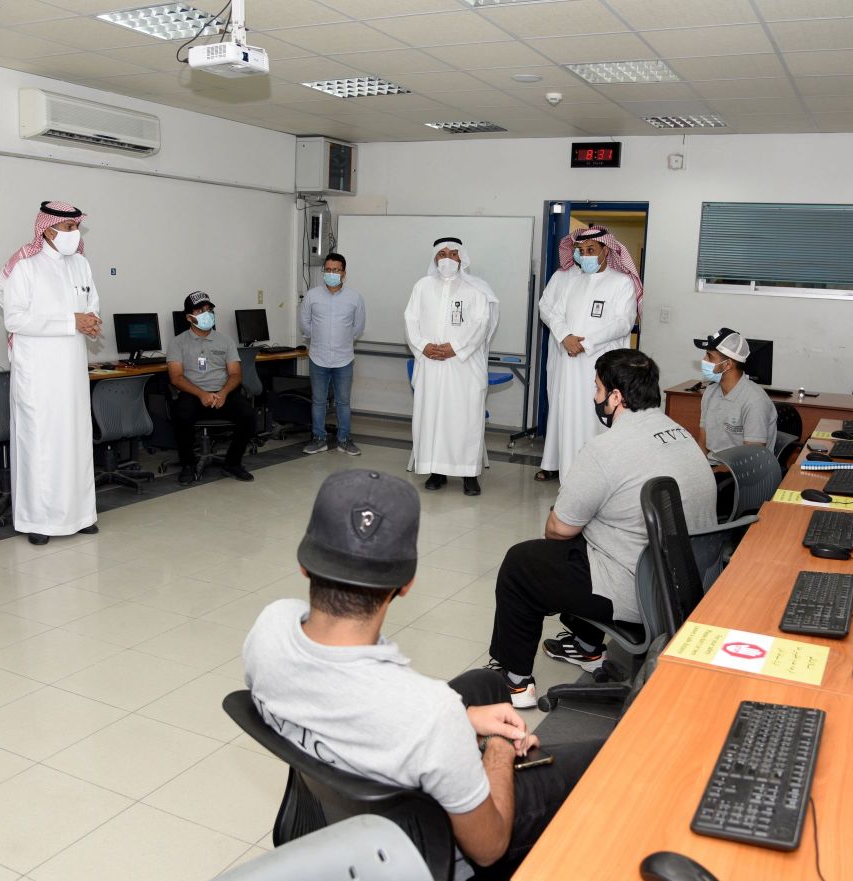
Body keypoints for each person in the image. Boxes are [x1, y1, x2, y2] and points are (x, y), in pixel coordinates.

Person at [243, 469, 603, 876]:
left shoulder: (271, 627)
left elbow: (346, 700)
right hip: (420, 850)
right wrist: (498, 749)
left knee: (486, 684)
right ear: (407, 583)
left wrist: (462, 721)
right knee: (607, 758)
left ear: (304, 565)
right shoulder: (431, 714)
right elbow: (488, 847)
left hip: (337, 814)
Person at [487, 349, 717, 708]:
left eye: (597, 389)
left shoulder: (605, 449)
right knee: (593, 542)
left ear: (616, 397)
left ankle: (515, 682)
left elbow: (558, 529)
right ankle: (586, 646)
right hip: (688, 584)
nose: (595, 397)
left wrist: (573, 516)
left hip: (641, 592)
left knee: (523, 562)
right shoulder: (681, 434)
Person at [0, 200, 100, 546]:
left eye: (77, 227)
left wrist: (90, 321)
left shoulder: (81, 264)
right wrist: (71, 321)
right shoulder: (25, 266)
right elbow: (15, 319)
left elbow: (91, 303)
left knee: (76, 440)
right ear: (48, 230)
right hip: (38, 374)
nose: (75, 234)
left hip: (72, 371)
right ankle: (38, 520)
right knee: (41, 444)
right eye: (69, 228)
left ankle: (81, 515)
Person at [536, 226, 641, 484]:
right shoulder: (574, 281)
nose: (585, 255)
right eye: (581, 251)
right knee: (570, 418)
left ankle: (597, 479)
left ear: (606, 250)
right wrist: (565, 337)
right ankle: (570, 477)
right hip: (570, 365)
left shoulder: (621, 282)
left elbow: (623, 322)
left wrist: (586, 343)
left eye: (591, 249)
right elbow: (555, 313)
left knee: (596, 418)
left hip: (600, 365)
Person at [404, 236, 495, 496]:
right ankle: (436, 471)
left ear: (461, 258)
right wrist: (423, 346)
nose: (447, 259)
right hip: (430, 365)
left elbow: (481, 323)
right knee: (432, 419)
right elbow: (410, 319)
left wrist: (455, 347)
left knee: (465, 420)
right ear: (435, 259)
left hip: (463, 366)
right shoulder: (422, 286)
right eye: (442, 254)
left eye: (452, 254)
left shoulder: (476, 288)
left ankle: (469, 475)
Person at [167, 290, 257, 485]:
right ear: (189, 317)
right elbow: (176, 378)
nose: (206, 314)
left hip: (223, 392)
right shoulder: (178, 343)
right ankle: (188, 465)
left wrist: (223, 393)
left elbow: (235, 374)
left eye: (208, 310)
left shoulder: (225, 341)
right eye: (200, 311)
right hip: (193, 393)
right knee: (180, 415)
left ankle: (232, 463)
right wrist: (201, 394)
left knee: (249, 416)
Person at [300, 252, 365, 456]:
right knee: (318, 401)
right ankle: (319, 439)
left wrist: (341, 342)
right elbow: (305, 324)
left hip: (343, 359)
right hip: (317, 357)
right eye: (328, 269)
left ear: (343, 273)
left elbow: (358, 328)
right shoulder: (312, 296)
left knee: (343, 402)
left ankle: (344, 440)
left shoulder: (355, 298)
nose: (331, 273)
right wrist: (320, 339)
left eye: (336, 270)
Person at [695, 327, 778, 455]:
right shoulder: (710, 392)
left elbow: (752, 458)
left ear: (727, 364)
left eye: (710, 356)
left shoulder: (755, 401)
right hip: (712, 464)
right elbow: (702, 444)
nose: (704, 360)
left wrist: (714, 468)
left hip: (740, 467)